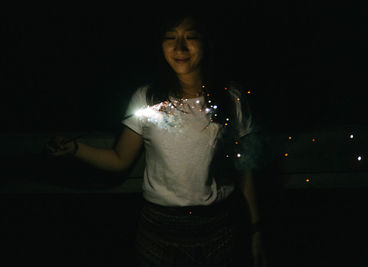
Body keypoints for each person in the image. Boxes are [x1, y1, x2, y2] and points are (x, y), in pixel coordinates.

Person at [44, 11, 267, 267]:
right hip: (159, 230)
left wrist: (255, 231)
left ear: (206, 42)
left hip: (218, 228)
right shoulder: (147, 98)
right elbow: (119, 158)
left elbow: (245, 171)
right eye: (170, 37)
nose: (179, 47)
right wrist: (74, 149)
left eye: (190, 37)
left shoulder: (232, 98)